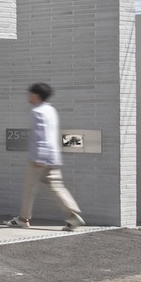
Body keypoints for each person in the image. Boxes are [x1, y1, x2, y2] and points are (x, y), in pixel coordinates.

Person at [8, 82, 84, 230]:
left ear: (36, 95)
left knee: (29, 188)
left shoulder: (37, 112)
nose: (28, 96)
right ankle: (73, 215)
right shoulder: (51, 110)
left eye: (30, 93)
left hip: (40, 158)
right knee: (56, 186)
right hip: (53, 157)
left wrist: (40, 157)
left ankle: (23, 219)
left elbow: (41, 135)